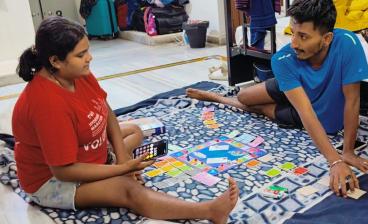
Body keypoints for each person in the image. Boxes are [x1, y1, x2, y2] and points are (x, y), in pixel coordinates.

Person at [12, 16, 238, 224]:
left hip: (86, 152)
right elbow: (64, 172)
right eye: (81, 55)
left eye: (87, 50)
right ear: (56, 61)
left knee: (135, 131)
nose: (89, 58)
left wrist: (121, 158)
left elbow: (106, 110)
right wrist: (122, 170)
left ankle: (112, 165)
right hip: (53, 180)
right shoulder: (47, 104)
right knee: (126, 189)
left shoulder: (77, 73)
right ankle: (209, 211)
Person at [187, 0, 368, 197]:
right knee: (244, 96)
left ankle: (220, 99)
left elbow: (351, 101)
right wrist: (336, 161)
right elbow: (304, 108)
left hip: (316, 113)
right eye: (293, 33)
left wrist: (345, 154)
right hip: (295, 87)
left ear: (327, 38)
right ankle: (220, 98)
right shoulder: (283, 59)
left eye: (303, 36)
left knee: (262, 109)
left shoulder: (348, 43)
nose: (294, 43)